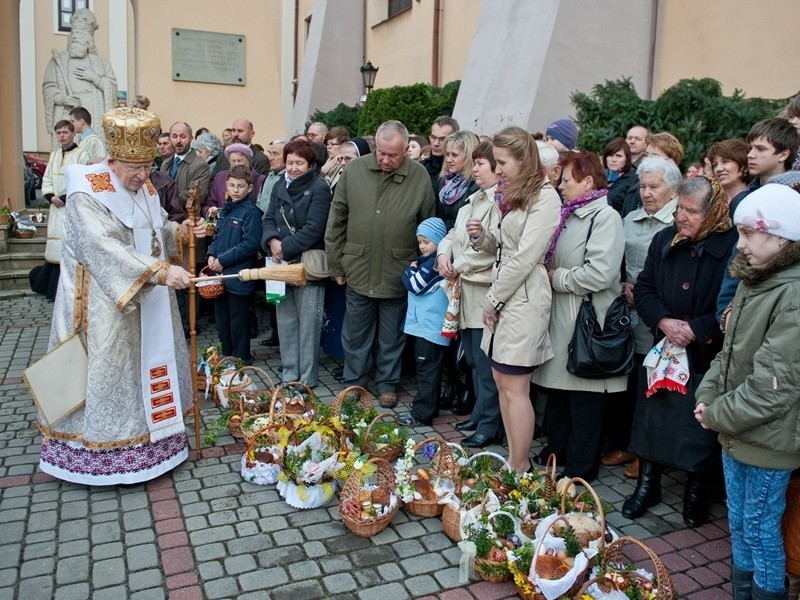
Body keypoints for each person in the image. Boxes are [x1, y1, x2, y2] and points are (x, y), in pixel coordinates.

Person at [38, 107, 206, 486]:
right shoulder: (85, 192)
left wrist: (177, 233)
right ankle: (99, 454)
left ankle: (156, 444)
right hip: (101, 305)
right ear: (111, 159)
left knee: (143, 366)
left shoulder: (144, 185)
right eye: (133, 167)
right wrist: (162, 271)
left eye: (147, 166)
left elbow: (154, 224)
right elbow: (105, 249)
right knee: (109, 373)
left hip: (144, 297)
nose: (143, 176)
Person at [695, 183, 800, 600]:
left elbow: (774, 386)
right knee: (740, 526)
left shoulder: (791, 294)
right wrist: (707, 395)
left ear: (781, 238)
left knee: (760, 531)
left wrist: (717, 413)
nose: (739, 245)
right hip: (737, 426)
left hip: (769, 438)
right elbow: (729, 353)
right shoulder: (754, 280)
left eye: (748, 234)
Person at [624, 176, 737, 528]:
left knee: (698, 426)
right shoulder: (664, 240)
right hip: (665, 348)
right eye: (680, 210)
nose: (682, 218)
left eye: (691, 212)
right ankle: (648, 485)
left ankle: (695, 493)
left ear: (713, 211)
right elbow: (644, 289)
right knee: (652, 419)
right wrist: (663, 321)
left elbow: (735, 302)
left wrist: (698, 329)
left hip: (705, 352)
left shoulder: (731, 244)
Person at [325, 120, 436, 408]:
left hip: (398, 269)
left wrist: (422, 266)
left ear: (405, 151)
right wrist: (336, 264)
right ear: (375, 146)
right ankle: (355, 381)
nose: (386, 160)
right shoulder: (355, 170)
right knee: (355, 332)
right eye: (382, 154)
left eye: (394, 155)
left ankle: (387, 384)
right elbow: (337, 219)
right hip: (358, 265)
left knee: (392, 335)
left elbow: (428, 225)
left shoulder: (419, 176)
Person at [533, 151, 625, 482]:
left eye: (567, 180)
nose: (560, 186)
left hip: (585, 323)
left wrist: (556, 278)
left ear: (588, 182)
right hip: (563, 319)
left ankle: (581, 469)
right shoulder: (569, 214)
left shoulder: (605, 218)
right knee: (559, 395)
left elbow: (600, 273)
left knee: (585, 401)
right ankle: (557, 456)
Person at [475, 126, 560, 473]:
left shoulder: (545, 196)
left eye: (502, 162)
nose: (497, 170)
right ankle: (514, 459)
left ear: (524, 160)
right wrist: (483, 239)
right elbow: (504, 245)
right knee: (500, 382)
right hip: (504, 292)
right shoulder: (513, 193)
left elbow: (526, 257)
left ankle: (520, 465)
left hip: (522, 297)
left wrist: (493, 299)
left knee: (515, 386)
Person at [601, 156, 681, 476]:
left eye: (654, 186)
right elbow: (614, 258)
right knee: (628, 381)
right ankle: (625, 444)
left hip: (659, 313)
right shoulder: (629, 218)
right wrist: (621, 284)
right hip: (627, 312)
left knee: (651, 386)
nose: (646, 192)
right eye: (643, 186)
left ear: (672, 189)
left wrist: (647, 294)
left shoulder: (677, 222)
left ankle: (645, 454)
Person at [437, 140, 503, 448]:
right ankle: (479, 414)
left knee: (485, 363)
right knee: (473, 362)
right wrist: (442, 254)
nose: (473, 168)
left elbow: (491, 250)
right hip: (463, 293)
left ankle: (490, 425)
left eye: (480, 164)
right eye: (474, 163)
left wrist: (457, 265)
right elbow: (453, 234)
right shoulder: (472, 201)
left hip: (483, 293)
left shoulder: (499, 204)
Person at [262, 140, 332, 386]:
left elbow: (314, 229)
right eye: (290, 162)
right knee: (285, 320)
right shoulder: (280, 183)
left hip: (306, 264)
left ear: (310, 164)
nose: (292, 168)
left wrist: (284, 247)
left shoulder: (319, 188)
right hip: (278, 265)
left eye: (298, 163)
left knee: (308, 326)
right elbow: (269, 217)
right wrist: (271, 241)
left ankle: (307, 378)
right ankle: (289, 373)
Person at [206, 165, 262, 363]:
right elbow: (218, 236)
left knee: (238, 320)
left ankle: (241, 358)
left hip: (238, 275)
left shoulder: (251, 212)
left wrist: (223, 260)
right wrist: (212, 254)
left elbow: (250, 244)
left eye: (240, 186)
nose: (236, 190)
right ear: (226, 186)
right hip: (221, 276)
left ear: (249, 188)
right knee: (222, 319)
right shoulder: (227, 210)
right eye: (232, 185)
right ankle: (226, 355)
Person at [398, 218, 450, 426]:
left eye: (426, 241)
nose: (422, 246)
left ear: (438, 241)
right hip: (426, 325)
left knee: (427, 369)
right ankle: (430, 406)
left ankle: (422, 413)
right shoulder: (427, 261)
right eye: (419, 242)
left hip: (429, 327)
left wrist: (408, 270)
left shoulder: (434, 264)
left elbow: (415, 285)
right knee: (429, 368)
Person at [42, 9, 117, 147]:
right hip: (67, 111)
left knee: (92, 150)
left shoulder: (102, 63)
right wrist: (61, 98)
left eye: (80, 34)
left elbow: (112, 87)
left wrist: (96, 79)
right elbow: (49, 86)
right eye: (73, 33)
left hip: (93, 110)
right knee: (67, 151)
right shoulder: (59, 61)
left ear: (89, 39)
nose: (75, 36)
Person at [42, 120, 91, 300]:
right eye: (58, 133)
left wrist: (64, 198)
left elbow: (82, 180)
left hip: (71, 207)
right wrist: (51, 197)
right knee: (55, 249)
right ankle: (53, 290)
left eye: (65, 132)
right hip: (56, 208)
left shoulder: (81, 155)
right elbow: (47, 179)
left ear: (73, 133)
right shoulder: (54, 155)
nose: (62, 136)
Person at [204, 143, 265, 216]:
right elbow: (209, 203)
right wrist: (210, 211)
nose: (236, 164)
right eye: (233, 161)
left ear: (248, 161)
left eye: (239, 161)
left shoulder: (260, 180)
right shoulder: (220, 177)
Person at [436, 131, 480, 230]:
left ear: (469, 156)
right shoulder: (443, 182)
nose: (448, 159)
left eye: (454, 155)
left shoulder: (476, 186)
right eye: (447, 154)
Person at [708, 139, 751, 207]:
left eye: (725, 162)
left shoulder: (754, 199)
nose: (718, 169)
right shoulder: (712, 203)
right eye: (715, 165)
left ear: (744, 167)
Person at [421, 116, 459, 192]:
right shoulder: (422, 167)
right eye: (433, 137)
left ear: (453, 140)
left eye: (442, 139)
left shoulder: (458, 170)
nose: (436, 143)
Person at [603, 137, 639, 215]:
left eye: (618, 156)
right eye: (610, 155)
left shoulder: (634, 180)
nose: (613, 159)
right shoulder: (599, 177)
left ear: (626, 159)